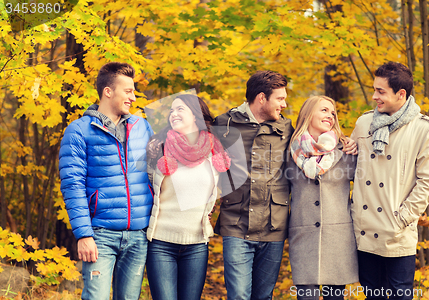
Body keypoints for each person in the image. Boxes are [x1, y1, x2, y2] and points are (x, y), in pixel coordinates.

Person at [59, 62, 154, 300]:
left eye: (134, 91)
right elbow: (73, 185)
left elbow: (159, 174)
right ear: (108, 91)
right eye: (128, 91)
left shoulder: (142, 126)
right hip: (100, 234)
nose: (133, 97)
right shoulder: (79, 130)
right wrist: (83, 234)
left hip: (139, 234)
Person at [350, 62, 429, 300]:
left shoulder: (425, 130)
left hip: (397, 233)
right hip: (364, 229)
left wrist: (402, 218)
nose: (374, 96)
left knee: (401, 296)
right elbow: (351, 169)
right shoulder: (364, 123)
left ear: (401, 94)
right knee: (373, 296)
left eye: (381, 91)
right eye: (374, 89)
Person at [211, 70, 294, 300]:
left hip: (273, 226)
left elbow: (315, 147)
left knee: (263, 296)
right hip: (236, 224)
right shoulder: (224, 124)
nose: (284, 104)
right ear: (261, 98)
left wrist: (346, 143)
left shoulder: (287, 129)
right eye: (280, 98)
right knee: (238, 295)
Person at [145, 94, 231, 300]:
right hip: (160, 244)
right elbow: (145, 189)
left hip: (196, 246)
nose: (173, 114)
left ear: (196, 115)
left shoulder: (213, 152)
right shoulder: (159, 148)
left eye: (180, 109)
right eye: (171, 110)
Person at [287, 95, 358, 300]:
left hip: (338, 239)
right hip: (303, 237)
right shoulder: (291, 152)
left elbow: (365, 190)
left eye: (333, 112)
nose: (330, 116)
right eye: (324, 110)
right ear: (308, 114)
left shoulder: (346, 150)